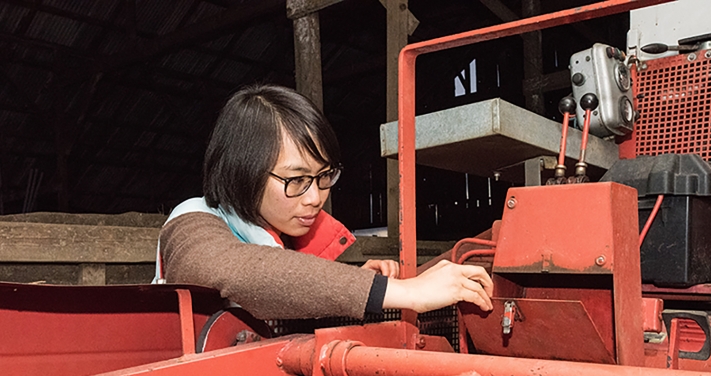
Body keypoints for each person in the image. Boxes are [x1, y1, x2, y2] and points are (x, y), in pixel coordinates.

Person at [155, 84, 493, 320]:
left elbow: (291, 283)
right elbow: (241, 271)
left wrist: (350, 282)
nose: (316, 198)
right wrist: (399, 292)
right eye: (296, 180)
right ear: (243, 172)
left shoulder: (276, 230)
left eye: (324, 177)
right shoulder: (193, 222)